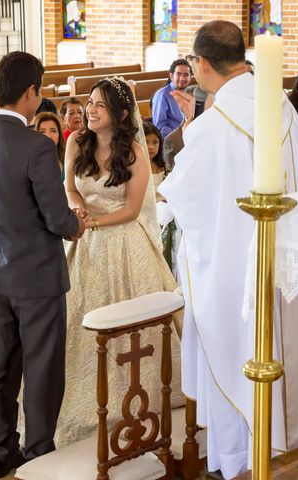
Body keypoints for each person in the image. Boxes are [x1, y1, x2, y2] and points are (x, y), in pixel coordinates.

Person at [158, 21, 298, 478]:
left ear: (203, 63)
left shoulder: (216, 124)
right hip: (288, 255)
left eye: (192, 61)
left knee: (241, 352)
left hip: (238, 270)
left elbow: (181, 198)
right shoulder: (282, 107)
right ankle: (294, 442)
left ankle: (238, 458)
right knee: (284, 344)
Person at [0, 51, 84, 479]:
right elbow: (56, 218)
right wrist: (77, 225)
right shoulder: (36, 145)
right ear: (32, 92)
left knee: (1, 363)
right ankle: (39, 453)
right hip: (39, 276)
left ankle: (0, 452)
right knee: (42, 368)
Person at [56, 77, 181, 446]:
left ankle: (137, 393)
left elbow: (129, 210)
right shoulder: (76, 142)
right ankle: (84, 396)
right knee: (82, 318)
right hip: (86, 244)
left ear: (122, 114)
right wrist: (78, 209)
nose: (90, 110)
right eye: (90, 102)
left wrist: (91, 221)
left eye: (100, 105)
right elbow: (69, 187)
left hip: (124, 243)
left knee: (131, 325)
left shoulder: (134, 153)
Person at [151, 59, 192, 137]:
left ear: (190, 77)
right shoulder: (162, 95)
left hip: (188, 136)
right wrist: (181, 135)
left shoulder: (190, 94)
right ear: (171, 75)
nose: (182, 78)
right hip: (172, 141)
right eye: (179, 74)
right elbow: (160, 127)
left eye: (186, 75)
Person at [32, 112, 65, 179]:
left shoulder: (67, 160)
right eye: (42, 132)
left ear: (59, 135)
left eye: (53, 131)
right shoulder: (28, 164)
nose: (48, 136)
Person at [142, 121, 166, 196]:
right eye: (146, 142)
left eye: (155, 142)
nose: (151, 147)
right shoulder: (135, 169)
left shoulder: (163, 166)